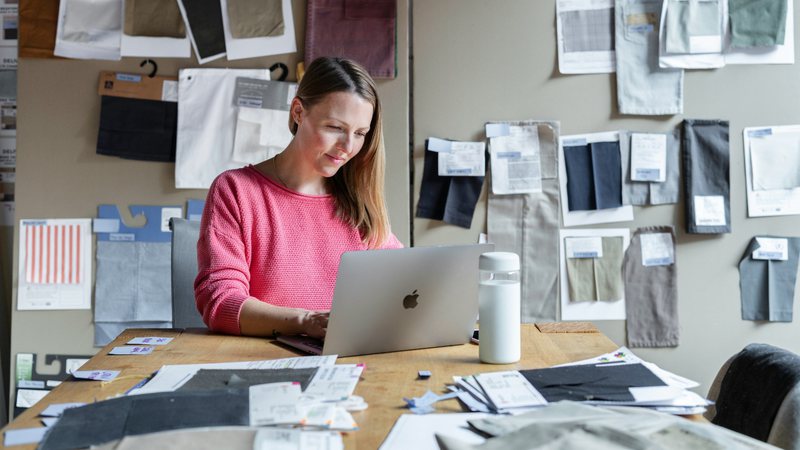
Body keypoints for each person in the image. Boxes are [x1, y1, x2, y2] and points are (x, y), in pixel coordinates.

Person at [194, 57, 403, 339]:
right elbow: (219, 303)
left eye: (360, 133)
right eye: (335, 128)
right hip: (264, 362)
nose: (347, 147)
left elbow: (406, 283)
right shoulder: (236, 190)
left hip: (348, 362)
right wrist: (306, 321)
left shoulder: (358, 203)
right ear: (298, 112)